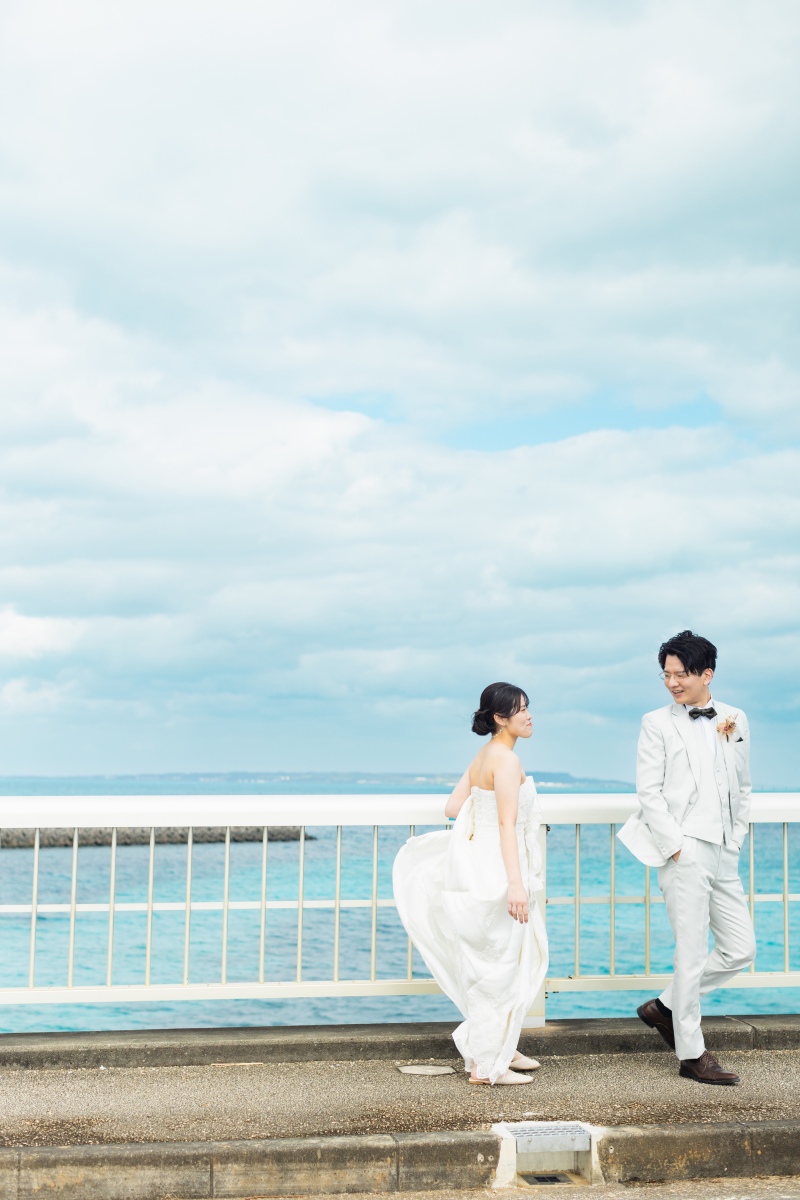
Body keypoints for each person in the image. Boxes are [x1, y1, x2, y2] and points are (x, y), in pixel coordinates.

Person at [618, 630, 756, 1085]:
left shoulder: (734, 718)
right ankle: (692, 1055)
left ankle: (665, 1006)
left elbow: (743, 785)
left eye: (681, 674)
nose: (672, 683)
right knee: (691, 953)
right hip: (684, 849)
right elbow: (649, 791)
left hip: (723, 848)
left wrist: (733, 840)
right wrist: (676, 845)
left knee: (741, 948)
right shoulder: (655, 722)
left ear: (706, 674)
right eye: (667, 674)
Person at [393, 682, 548, 1085]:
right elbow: (506, 823)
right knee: (502, 962)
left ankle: (500, 1046)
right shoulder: (508, 762)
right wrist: (516, 884)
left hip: (476, 865)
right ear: (501, 718)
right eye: (521, 710)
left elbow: (452, 808)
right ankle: (484, 1064)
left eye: (529, 708)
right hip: (499, 867)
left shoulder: (483, 755)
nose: (529, 715)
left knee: (489, 960)